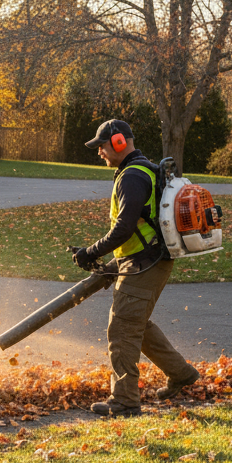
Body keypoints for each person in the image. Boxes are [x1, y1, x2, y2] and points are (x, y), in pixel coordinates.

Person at [73, 119, 200, 416]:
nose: (100, 152)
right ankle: (181, 374)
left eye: (102, 146)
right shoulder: (142, 169)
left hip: (145, 263)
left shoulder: (132, 176)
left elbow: (124, 227)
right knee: (135, 326)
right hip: (146, 259)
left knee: (121, 329)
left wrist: (89, 252)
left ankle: (125, 401)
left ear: (118, 142)